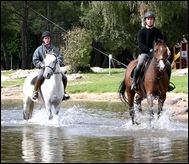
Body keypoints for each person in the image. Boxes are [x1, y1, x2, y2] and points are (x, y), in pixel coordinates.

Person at [131, 11, 175, 92]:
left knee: (168, 64)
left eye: (151, 19)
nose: (150, 20)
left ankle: (167, 84)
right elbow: (141, 45)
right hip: (145, 53)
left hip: (156, 55)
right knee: (140, 64)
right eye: (148, 19)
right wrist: (150, 50)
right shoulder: (141, 32)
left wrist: (167, 48)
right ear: (145, 21)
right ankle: (134, 82)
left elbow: (162, 42)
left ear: (154, 20)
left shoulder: (157, 31)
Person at [32, 31, 70, 101]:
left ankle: (63, 92)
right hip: (44, 68)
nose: (47, 40)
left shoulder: (55, 49)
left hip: (54, 68)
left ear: (50, 39)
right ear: (43, 39)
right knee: (40, 76)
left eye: (48, 38)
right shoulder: (39, 49)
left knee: (64, 77)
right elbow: (35, 59)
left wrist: (57, 62)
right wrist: (41, 64)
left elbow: (60, 57)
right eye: (45, 38)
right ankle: (35, 92)